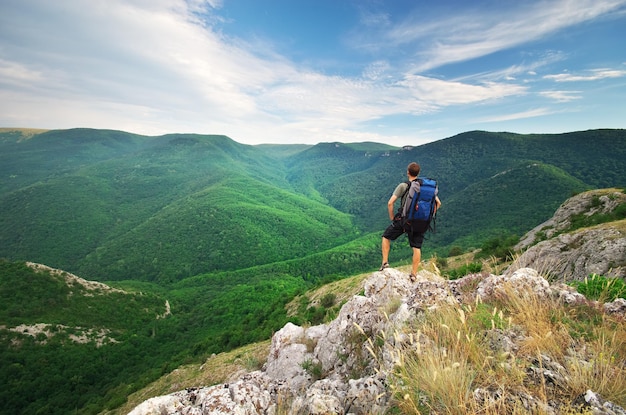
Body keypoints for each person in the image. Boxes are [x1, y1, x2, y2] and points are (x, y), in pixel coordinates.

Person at [379, 162, 441, 281]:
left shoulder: (403, 186)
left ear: (408, 172)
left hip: (404, 221)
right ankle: (413, 274)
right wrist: (428, 217)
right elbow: (438, 203)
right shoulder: (424, 188)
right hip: (420, 222)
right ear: (418, 173)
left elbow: (390, 203)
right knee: (416, 248)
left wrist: (392, 217)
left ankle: (385, 263)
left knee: (386, 236)